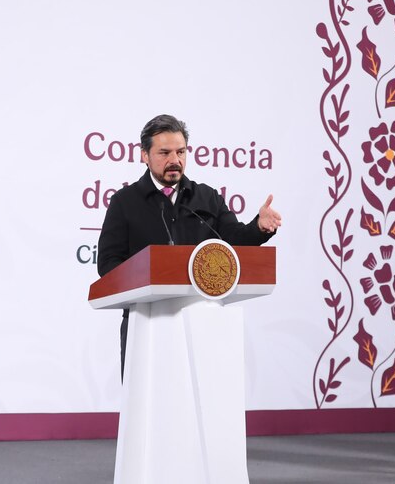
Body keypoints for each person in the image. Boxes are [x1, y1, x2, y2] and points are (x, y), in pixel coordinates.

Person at [96, 114, 282, 374]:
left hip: (202, 320)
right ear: (144, 155)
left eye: (181, 151)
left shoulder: (206, 198)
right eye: (164, 153)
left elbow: (234, 242)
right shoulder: (124, 202)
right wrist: (146, 276)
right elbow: (108, 264)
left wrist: (258, 228)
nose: (175, 160)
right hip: (146, 321)